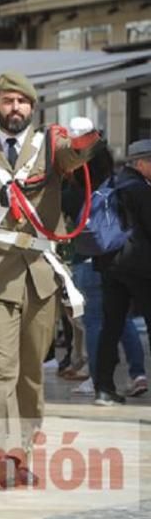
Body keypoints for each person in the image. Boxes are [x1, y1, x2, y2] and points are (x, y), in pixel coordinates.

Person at [0, 71, 100, 488]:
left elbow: (75, 157)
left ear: (33, 108)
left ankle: (23, 452)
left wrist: (86, 139)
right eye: (8, 101)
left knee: (32, 373)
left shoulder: (50, 146)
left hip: (39, 275)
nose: (15, 108)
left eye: (23, 102)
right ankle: (1, 454)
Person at [92, 139, 151, 406]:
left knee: (111, 327)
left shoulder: (112, 184)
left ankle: (104, 388)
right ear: (141, 163)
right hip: (139, 268)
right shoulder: (141, 190)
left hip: (111, 266)